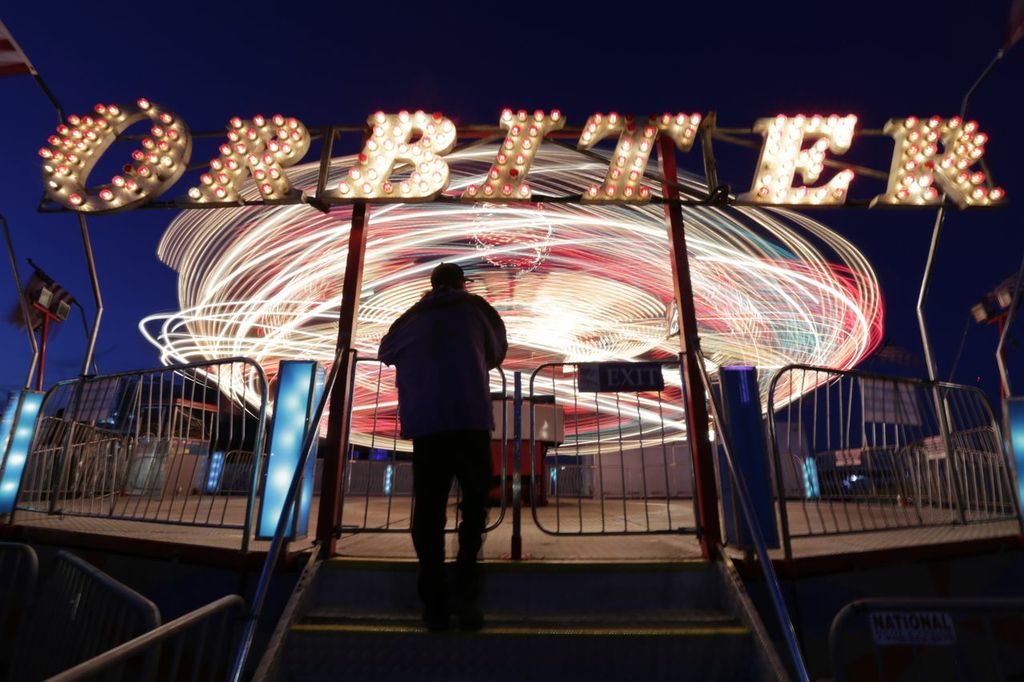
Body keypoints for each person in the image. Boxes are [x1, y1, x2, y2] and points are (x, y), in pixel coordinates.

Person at [379, 262, 508, 632]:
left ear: (432, 285)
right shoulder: (478, 309)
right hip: (470, 420)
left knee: (429, 513)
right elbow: (498, 350)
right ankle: (465, 598)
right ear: (462, 284)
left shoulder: (412, 316)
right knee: (474, 509)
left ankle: (433, 604)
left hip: (428, 426)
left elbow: (386, 351)